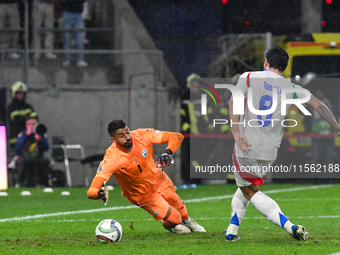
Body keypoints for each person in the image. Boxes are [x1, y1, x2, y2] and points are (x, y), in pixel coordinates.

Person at [224, 46, 340, 241]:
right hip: (270, 150)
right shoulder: (291, 88)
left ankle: (290, 226)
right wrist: (336, 126)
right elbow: (318, 105)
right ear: (284, 68)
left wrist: (236, 132)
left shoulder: (249, 76)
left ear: (266, 62)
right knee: (245, 185)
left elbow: (233, 101)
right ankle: (232, 231)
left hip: (247, 144)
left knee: (250, 190)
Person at [87, 119, 206, 233]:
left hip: (158, 179)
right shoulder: (111, 158)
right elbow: (92, 190)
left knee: (177, 202)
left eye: (127, 132)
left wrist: (167, 152)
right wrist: (98, 194)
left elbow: (177, 136)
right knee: (176, 218)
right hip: (142, 194)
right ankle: (171, 225)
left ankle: (189, 222)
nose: (128, 137)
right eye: (121, 135)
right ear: (113, 140)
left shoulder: (141, 135)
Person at [13, 117, 50, 187]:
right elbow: (18, 147)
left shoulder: (41, 134)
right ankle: (20, 182)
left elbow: (46, 148)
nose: (32, 126)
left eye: (34, 124)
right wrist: (26, 136)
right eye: (30, 124)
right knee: (22, 162)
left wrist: (40, 140)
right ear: (26, 125)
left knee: (44, 162)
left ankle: (42, 183)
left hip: (38, 156)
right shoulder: (22, 134)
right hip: (24, 156)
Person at [310, 89, 334, 182]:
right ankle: (313, 179)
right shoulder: (312, 106)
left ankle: (330, 179)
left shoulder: (329, 104)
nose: (319, 94)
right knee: (315, 157)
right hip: (317, 137)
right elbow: (309, 120)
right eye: (317, 93)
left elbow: (334, 118)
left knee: (330, 158)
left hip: (328, 136)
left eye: (320, 92)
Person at [7, 81, 38, 148]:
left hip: (29, 141)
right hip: (16, 140)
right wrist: (28, 120)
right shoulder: (11, 107)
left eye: (22, 93)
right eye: (19, 93)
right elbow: (16, 120)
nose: (21, 95)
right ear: (14, 94)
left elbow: (35, 119)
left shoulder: (28, 107)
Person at [60, 0, 88, 67]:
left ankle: (79, 60)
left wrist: (85, 11)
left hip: (77, 14)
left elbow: (85, 2)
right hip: (68, 12)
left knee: (79, 38)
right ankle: (68, 59)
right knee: (67, 38)